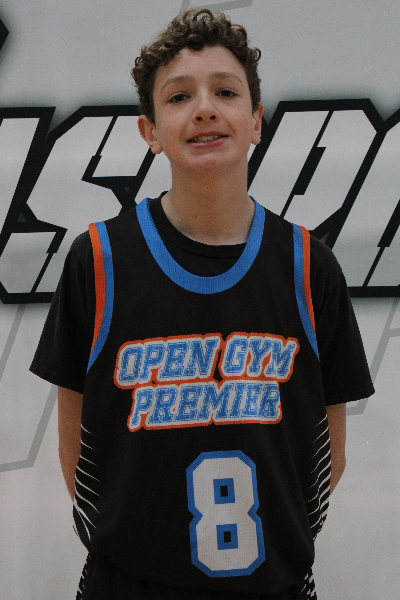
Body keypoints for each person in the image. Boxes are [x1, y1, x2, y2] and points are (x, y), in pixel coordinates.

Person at [30, 8, 374, 600]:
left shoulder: (309, 265)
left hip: (273, 585)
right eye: (179, 96)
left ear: (256, 121)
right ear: (150, 131)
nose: (205, 109)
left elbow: (328, 455)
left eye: (226, 92)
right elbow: (77, 451)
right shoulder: (99, 260)